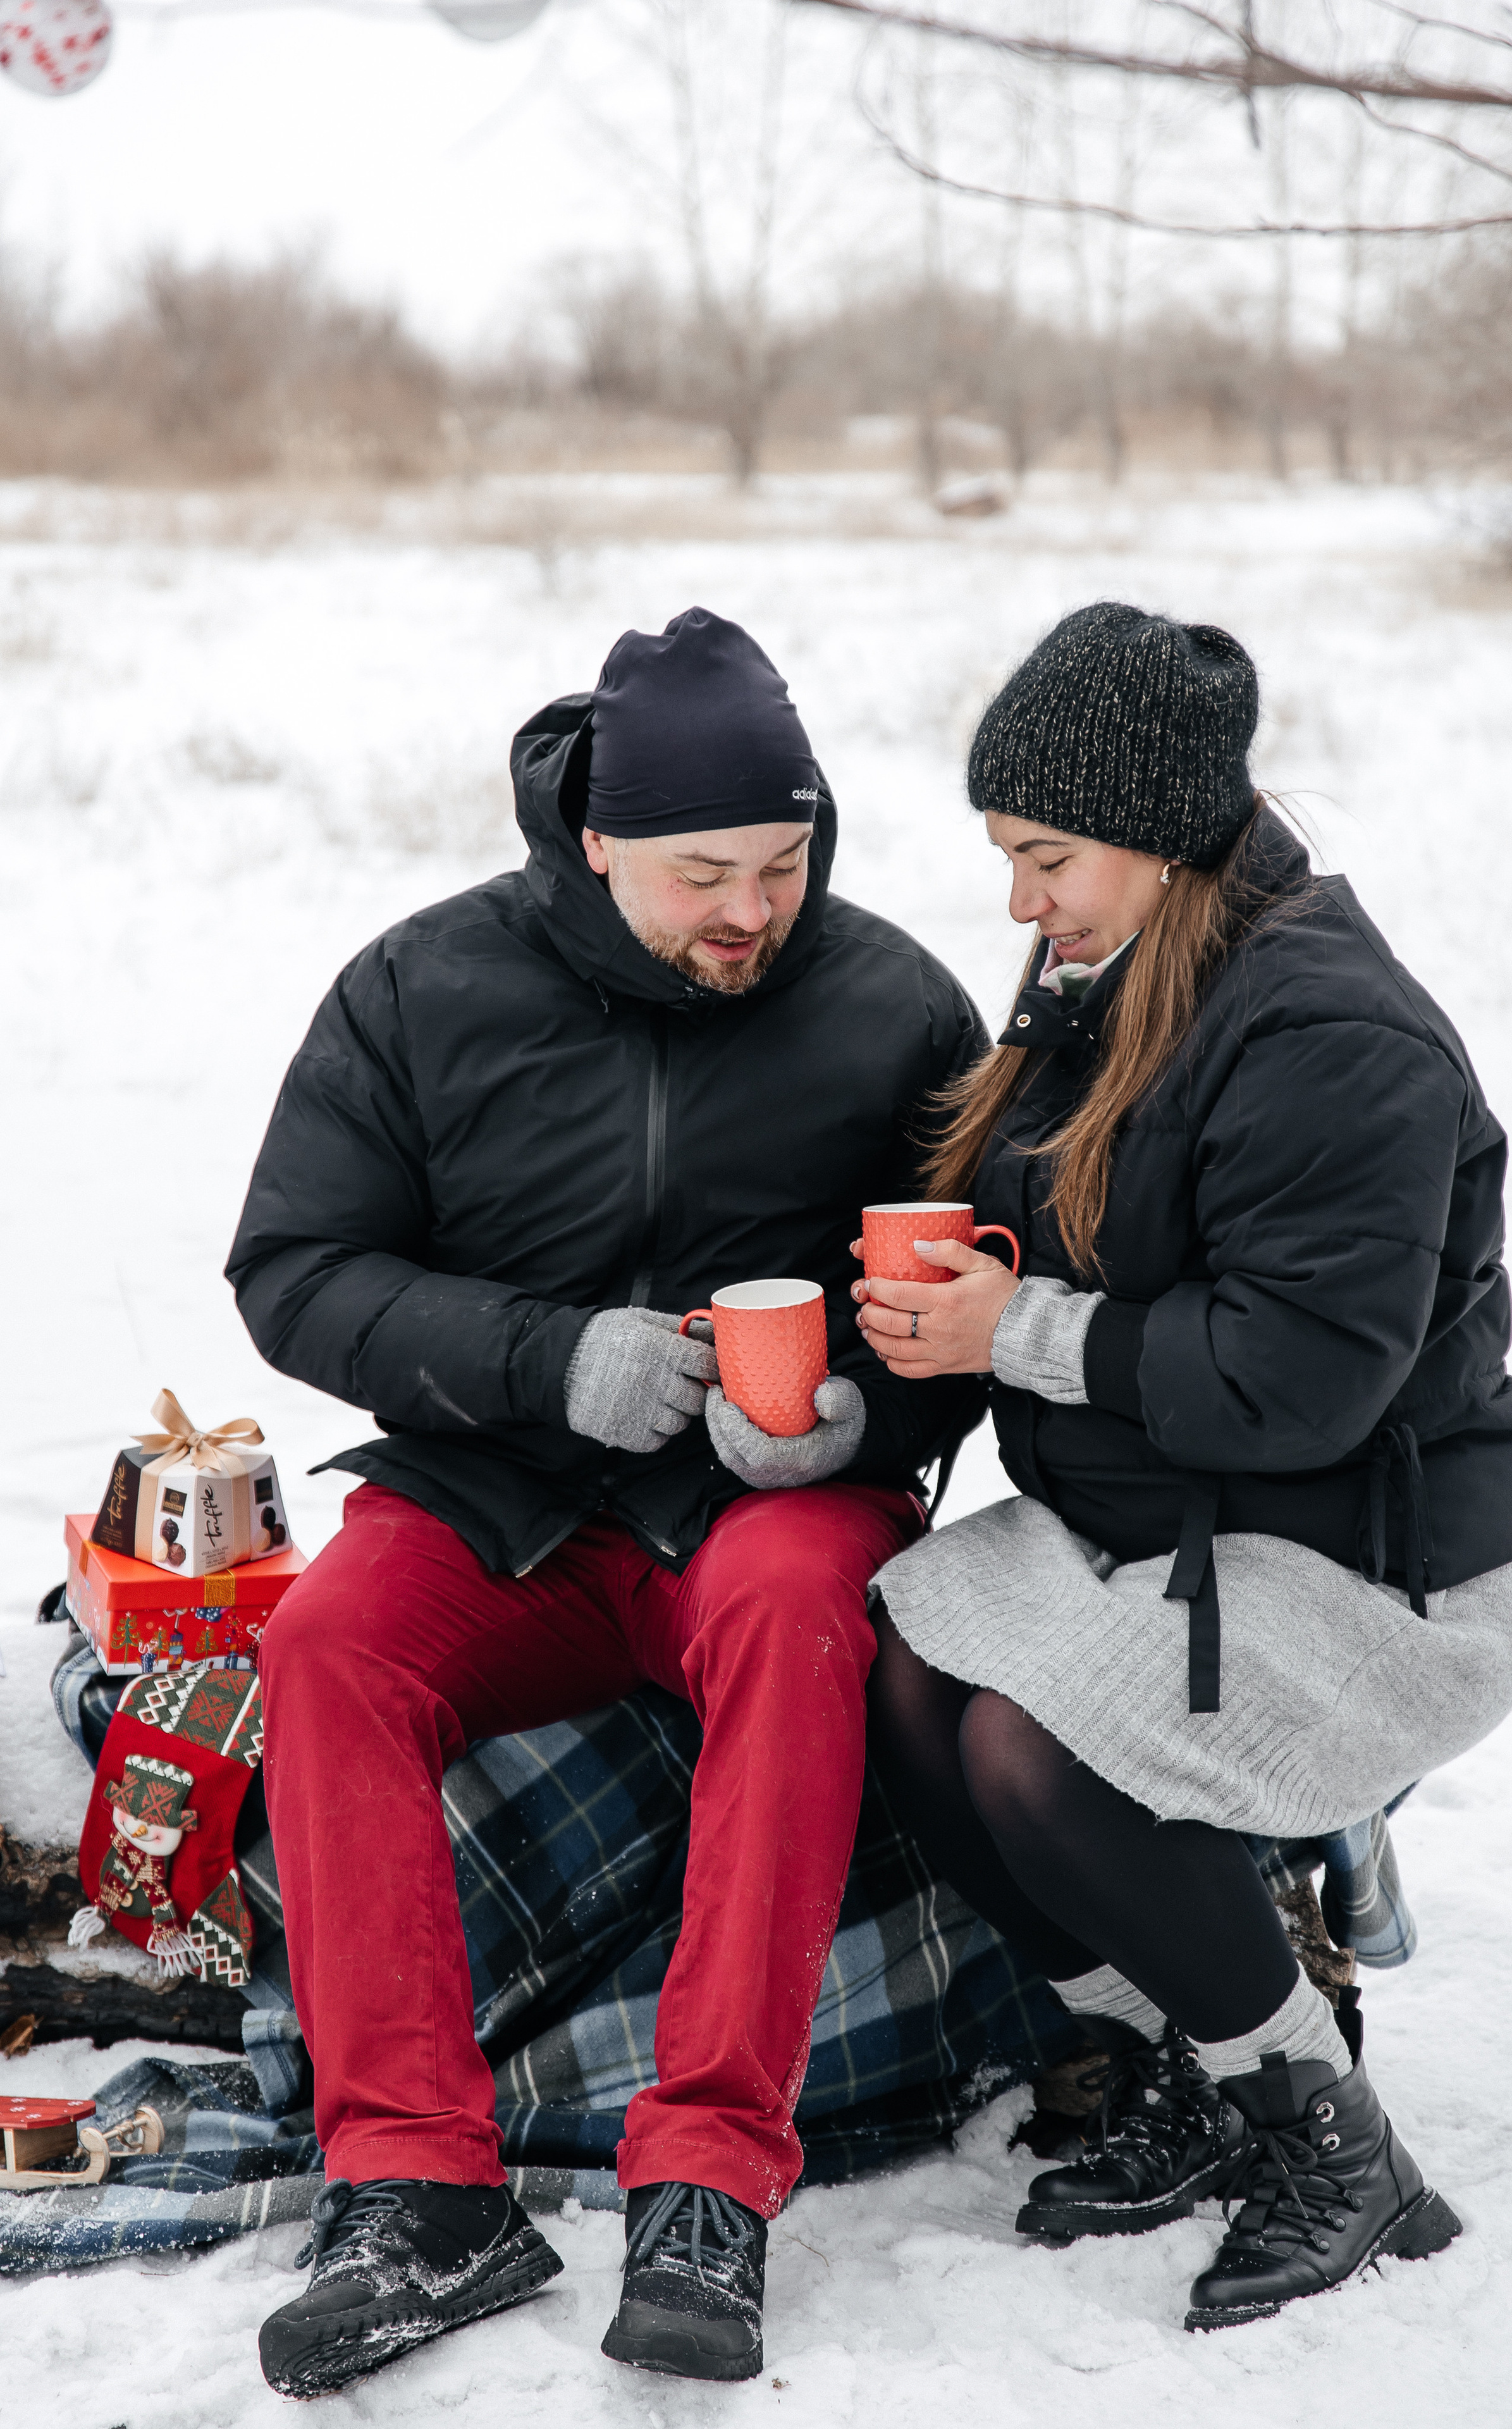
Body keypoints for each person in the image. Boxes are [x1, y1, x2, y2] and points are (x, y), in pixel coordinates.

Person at [226, 607, 985, 2397]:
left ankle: (709, 2183)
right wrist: (540, 1357)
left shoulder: (894, 1006)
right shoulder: (419, 990)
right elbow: (295, 1270)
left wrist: (867, 1417)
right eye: (703, 870)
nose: (751, 906)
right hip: (499, 1497)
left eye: (785, 862)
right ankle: (419, 2195)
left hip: (758, 1512)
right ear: (593, 842)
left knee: (801, 1614)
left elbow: (969, 1310)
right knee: (329, 1638)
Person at [856, 602, 1512, 2332]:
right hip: (1183, 1523)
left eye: (1047, 858)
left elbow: (1298, 1383)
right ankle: (1179, 2042)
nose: (1020, 903)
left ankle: (1330, 2141)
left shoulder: (1331, 1036)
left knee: (1038, 1751)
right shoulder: (1115, 972)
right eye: (1006, 859)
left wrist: (1007, 1338)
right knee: (903, 1672)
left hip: (1386, 1570)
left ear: (1162, 838)